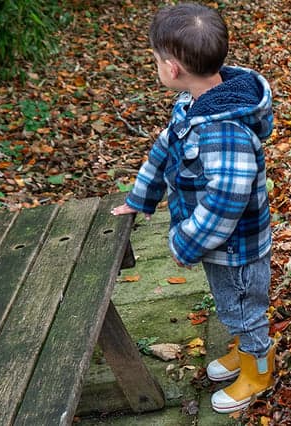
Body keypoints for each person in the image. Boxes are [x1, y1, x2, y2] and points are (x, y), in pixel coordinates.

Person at [110, 3, 275, 414]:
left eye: (155, 60)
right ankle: (242, 351)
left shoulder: (224, 131)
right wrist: (140, 198)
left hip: (236, 248)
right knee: (231, 303)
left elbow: (225, 202)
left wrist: (186, 242)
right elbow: (166, 148)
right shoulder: (194, 102)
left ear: (171, 68)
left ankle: (259, 370)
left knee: (243, 308)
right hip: (220, 245)